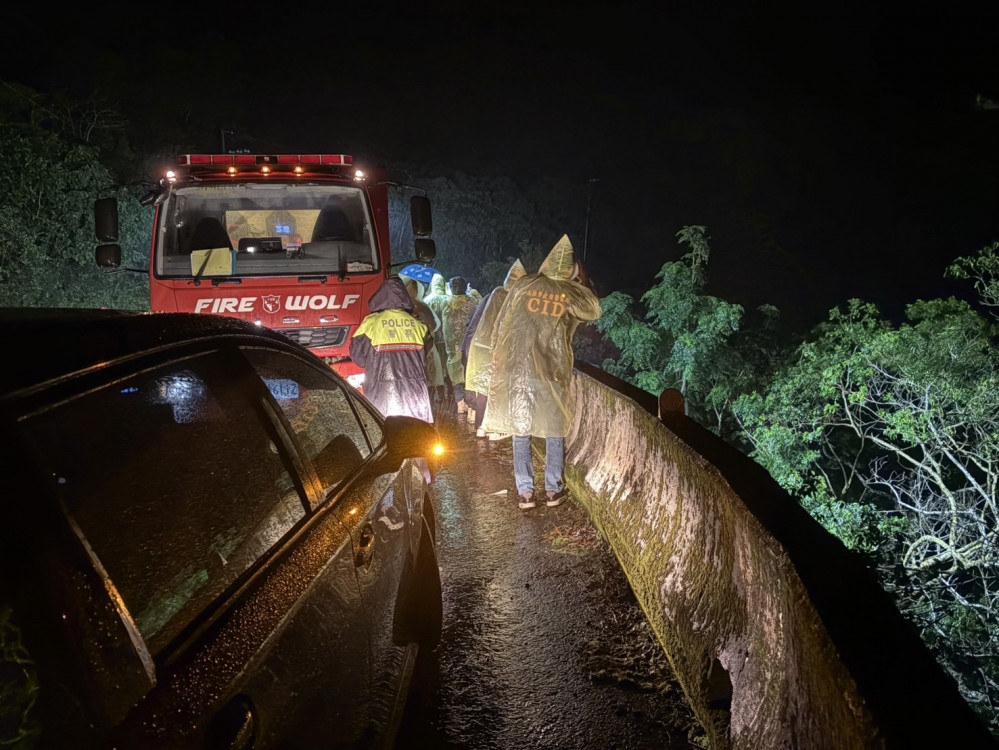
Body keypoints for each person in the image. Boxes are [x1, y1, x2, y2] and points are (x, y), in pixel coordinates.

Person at [483, 235, 602, 510]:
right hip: (551, 372)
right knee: (554, 430)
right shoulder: (567, 292)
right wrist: (582, 280)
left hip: (516, 371)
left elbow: (501, 323)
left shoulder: (525, 284)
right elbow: (594, 309)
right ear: (570, 272)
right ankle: (553, 490)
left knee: (520, 430)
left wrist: (498, 361)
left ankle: (525, 493)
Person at [349, 276, 433, 424]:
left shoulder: (371, 323)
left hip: (381, 390)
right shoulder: (417, 324)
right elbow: (425, 357)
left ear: (381, 297)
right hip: (414, 391)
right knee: (415, 432)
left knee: (384, 430)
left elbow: (358, 357)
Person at [463, 259, 526, 438]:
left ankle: (481, 428)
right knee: (498, 389)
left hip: (479, 345)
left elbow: (476, 322)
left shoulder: (495, 292)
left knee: (484, 390)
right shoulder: (516, 298)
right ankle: (493, 429)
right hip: (497, 347)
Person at [403, 276, 445, 414]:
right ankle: (428, 414)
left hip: (408, 353)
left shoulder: (399, 307)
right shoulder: (422, 306)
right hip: (426, 349)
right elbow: (434, 325)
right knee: (429, 383)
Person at [440, 276, 478, 414]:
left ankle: (461, 404)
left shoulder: (446, 303)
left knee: (457, 375)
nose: (454, 288)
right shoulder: (471, 303)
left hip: (455, 348)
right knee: (466, 374)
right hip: (466, 347)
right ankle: (465, 404)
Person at [423, 273, 451, 403]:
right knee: (448, 367)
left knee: (435, 368)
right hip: (448, 339)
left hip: (433, 340)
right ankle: (449, 394)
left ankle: (434, 396)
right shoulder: (449, 299)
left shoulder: (427, 300)